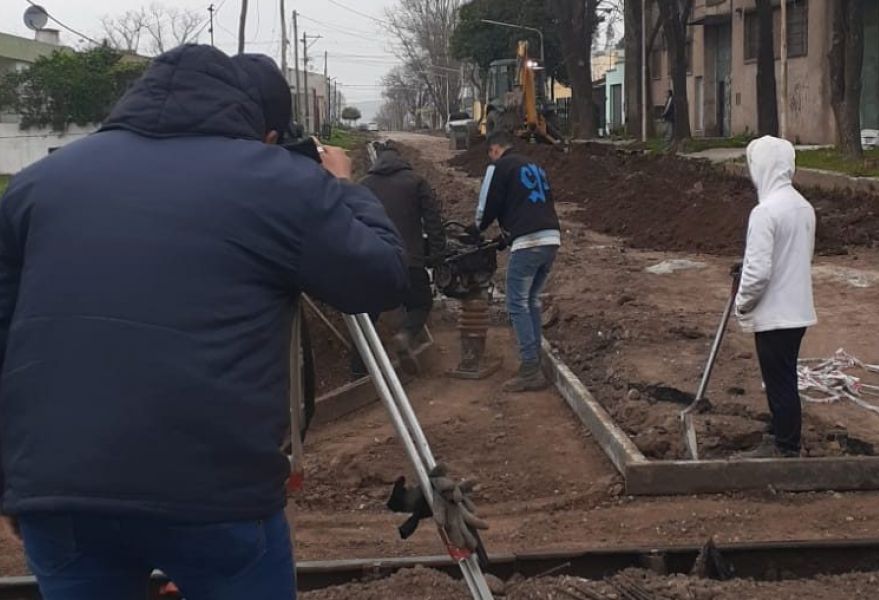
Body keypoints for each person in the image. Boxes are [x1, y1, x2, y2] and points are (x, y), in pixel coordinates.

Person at [0, 45, 407, 600]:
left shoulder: (36, 185)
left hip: (58, 493)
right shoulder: (281, 183)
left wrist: (14, 484)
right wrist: (339, 186)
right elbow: (379, 278)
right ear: (255, 124)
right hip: (215, 496)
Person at [734, 135, 817, 459]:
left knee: (779, 381)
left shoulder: (764, 213)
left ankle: (786, 447)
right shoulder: (803, 207)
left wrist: (743, 303)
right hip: (798, 311)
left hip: (774, 314)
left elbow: (758, 274)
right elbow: (797, 257)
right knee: (784, 376)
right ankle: (780, 432)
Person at [474, 130, 560, 392]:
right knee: (531, 299)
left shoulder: (499, 166)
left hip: (529, 243)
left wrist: (475, 229)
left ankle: (530, 369)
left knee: (515, 303)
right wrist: (506, 236)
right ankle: (534, 358)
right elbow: (529, 204)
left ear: (494, 150)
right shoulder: (533, 166)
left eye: (491, 155)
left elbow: (487, 205)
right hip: (550, 239)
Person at [351, 142, 446, 376]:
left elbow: (351, 223)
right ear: (400, 158)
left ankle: (358, 371)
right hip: (408, 260)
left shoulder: (363, 185)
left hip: (373, 262)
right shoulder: (416, 182)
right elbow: (434, 222)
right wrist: (436, 257)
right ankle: (405, 335)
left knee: (366, 314)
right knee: (421, 303)